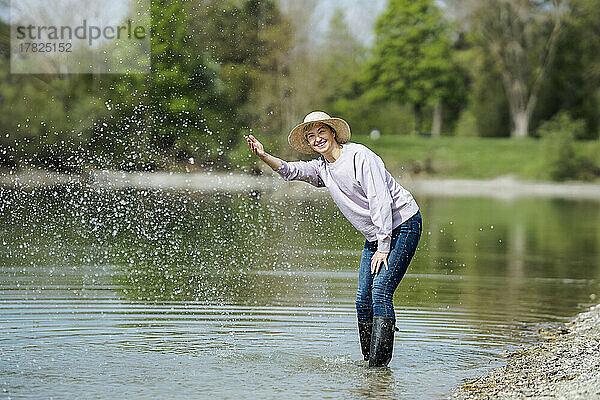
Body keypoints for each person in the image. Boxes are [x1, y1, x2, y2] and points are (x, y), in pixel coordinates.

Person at [246, 111, 422, 368]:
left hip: (402, 225)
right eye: (311, 136)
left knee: (381, 290)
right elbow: (290, 170)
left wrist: (383, 247)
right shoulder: (323, 168)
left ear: (333, 133)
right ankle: (369, 364)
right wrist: (263, 156)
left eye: (321, 132)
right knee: (363, 298)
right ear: (309, 143)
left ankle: (379, 366)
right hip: (377, 234)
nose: (317, 139)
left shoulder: (360, 157)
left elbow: (380, 201)